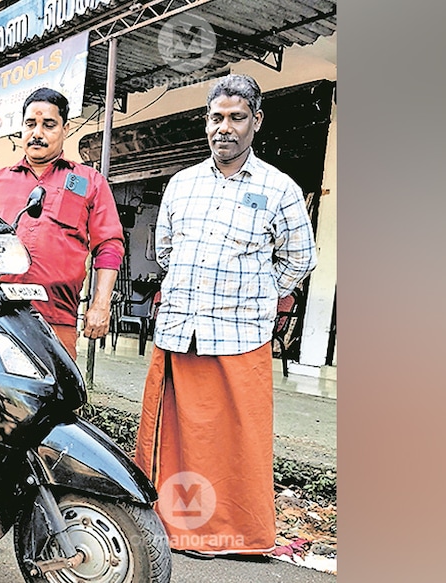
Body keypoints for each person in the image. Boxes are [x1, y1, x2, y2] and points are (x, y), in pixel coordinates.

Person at [133, 73, 317, 558]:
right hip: (179, 331)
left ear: (256, 121)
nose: (225, 128)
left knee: (234, 443)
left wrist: (256, 297)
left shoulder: (280, 188)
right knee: (174, 436)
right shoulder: (181, 184)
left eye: (237, 117)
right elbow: (167, 251)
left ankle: (234, 534)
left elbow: (300, 258)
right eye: (216, 118)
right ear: (205, 122)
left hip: (239, 337)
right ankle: (171, 528)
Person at [0, 88, 124, 359]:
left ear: (65, 129)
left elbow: (110, 246)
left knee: (55, 398)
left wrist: (101, 304)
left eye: (49, 125)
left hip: (58, 318)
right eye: (30, 124)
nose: (37, 133)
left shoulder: (89, 181)